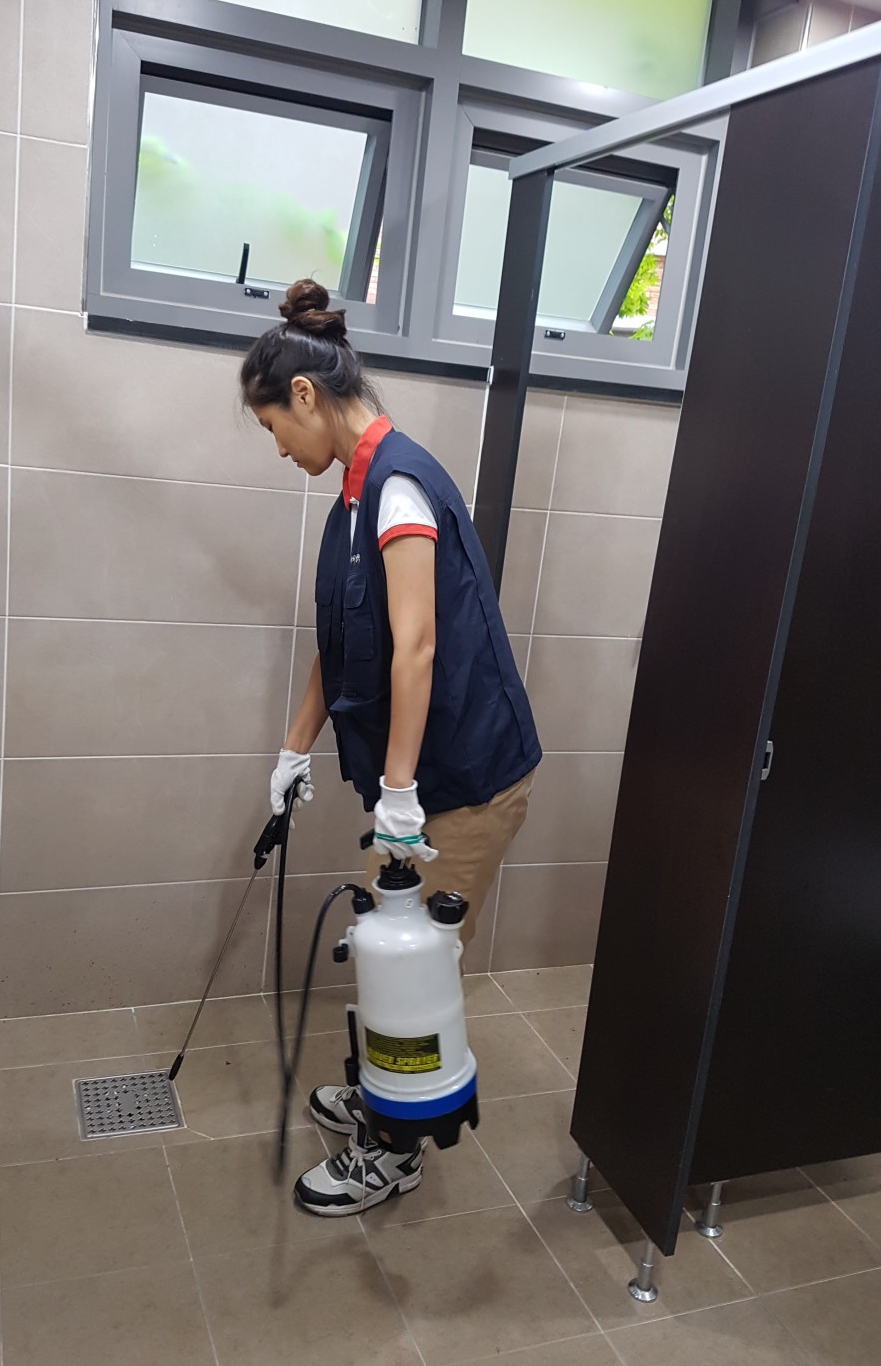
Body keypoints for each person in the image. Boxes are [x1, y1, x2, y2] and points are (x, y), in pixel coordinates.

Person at [241, 278, 541, 1216]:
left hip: (463, 779)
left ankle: (394, 1149)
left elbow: (415, 646)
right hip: (425, 781)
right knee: (387, 940)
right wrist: (293, 750)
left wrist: (401, 791)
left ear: (304, 395)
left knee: (410, 962)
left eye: (274, 428)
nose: (279, 449)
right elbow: (343, 642)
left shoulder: (398, 487)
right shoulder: (352, 492)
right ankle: (382, 1094)